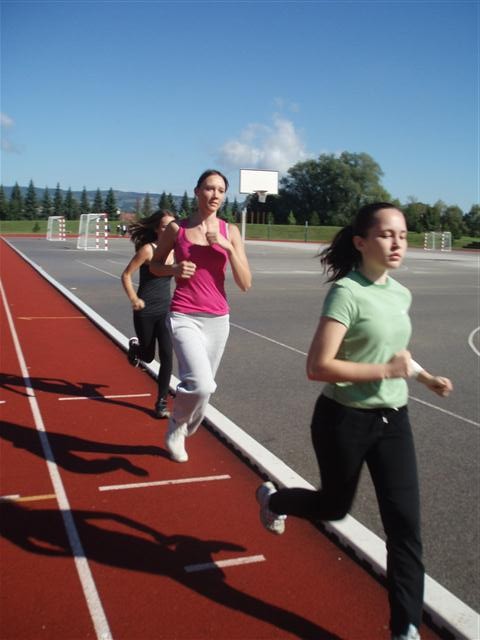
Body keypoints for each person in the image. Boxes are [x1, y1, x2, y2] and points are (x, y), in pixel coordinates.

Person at [255, 203, 453, 640]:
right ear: (361, 242)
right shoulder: (346, 292)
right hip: (343, 420)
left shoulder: (400, 294)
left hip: (394, 420)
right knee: (334, 507)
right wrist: (387, 371)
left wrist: (424, 378)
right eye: (386, 234)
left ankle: (404, 629)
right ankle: (276, 501)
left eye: (403, 235)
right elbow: (318, 366)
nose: (398, 243)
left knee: (405, 528)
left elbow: (396, 354)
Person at [150, 169, 252, 462]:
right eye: (209, 188)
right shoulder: (177, 229)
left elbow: (245, 283)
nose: (214, 194)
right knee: (201, 384)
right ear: (197, 192)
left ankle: (183, 426)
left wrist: (228, 247)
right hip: (184, 314)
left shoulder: (230, 231)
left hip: (218, 319)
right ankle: (177, 424)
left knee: (204, 391)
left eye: (220, 190)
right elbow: (155, 266)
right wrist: (174, 269)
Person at [121, 210, 177, 419]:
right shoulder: (147, 250)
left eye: (172, 226)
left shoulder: (176, 251)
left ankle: (161, 402)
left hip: (165, 311)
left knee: (167, 356)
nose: (169, 230)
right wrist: (134, 299)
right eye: (164, 226)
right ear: (156, 229)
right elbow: (126, 275)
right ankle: (136, 347)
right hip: (145, 311)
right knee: (147, 356)